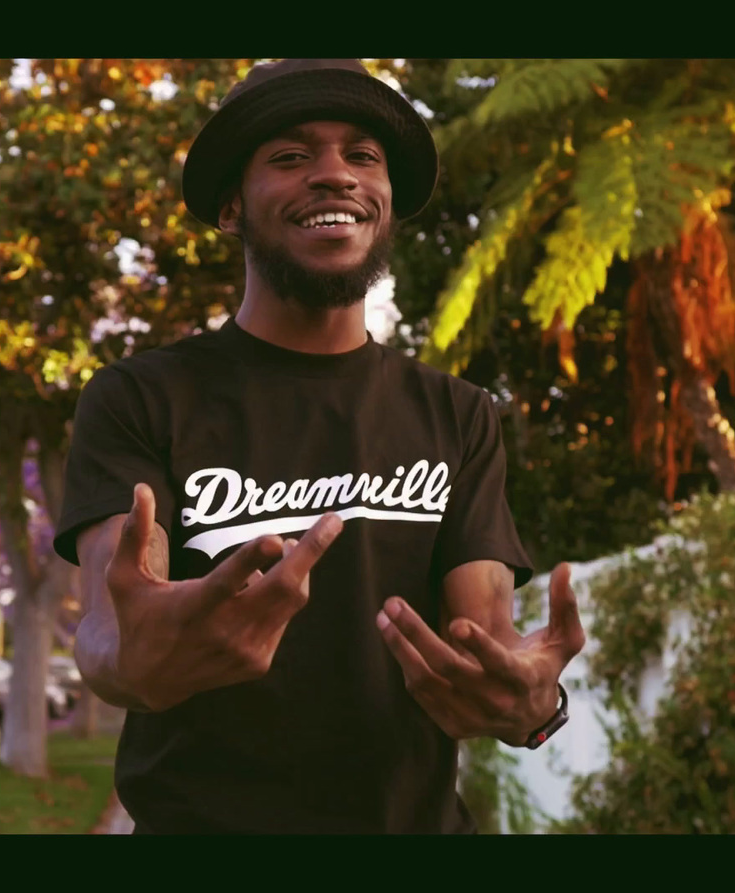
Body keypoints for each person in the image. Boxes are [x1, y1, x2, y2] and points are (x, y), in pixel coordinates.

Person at [54, 59, 588, 834]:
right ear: (233, 206)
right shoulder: (140, 396)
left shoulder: (459, 413)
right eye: (291, 156)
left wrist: (534, 699)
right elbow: (110, 628)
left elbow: (486, 642)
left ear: (388, 203)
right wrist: (133, 652)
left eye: (362, 156)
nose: (335, 175)